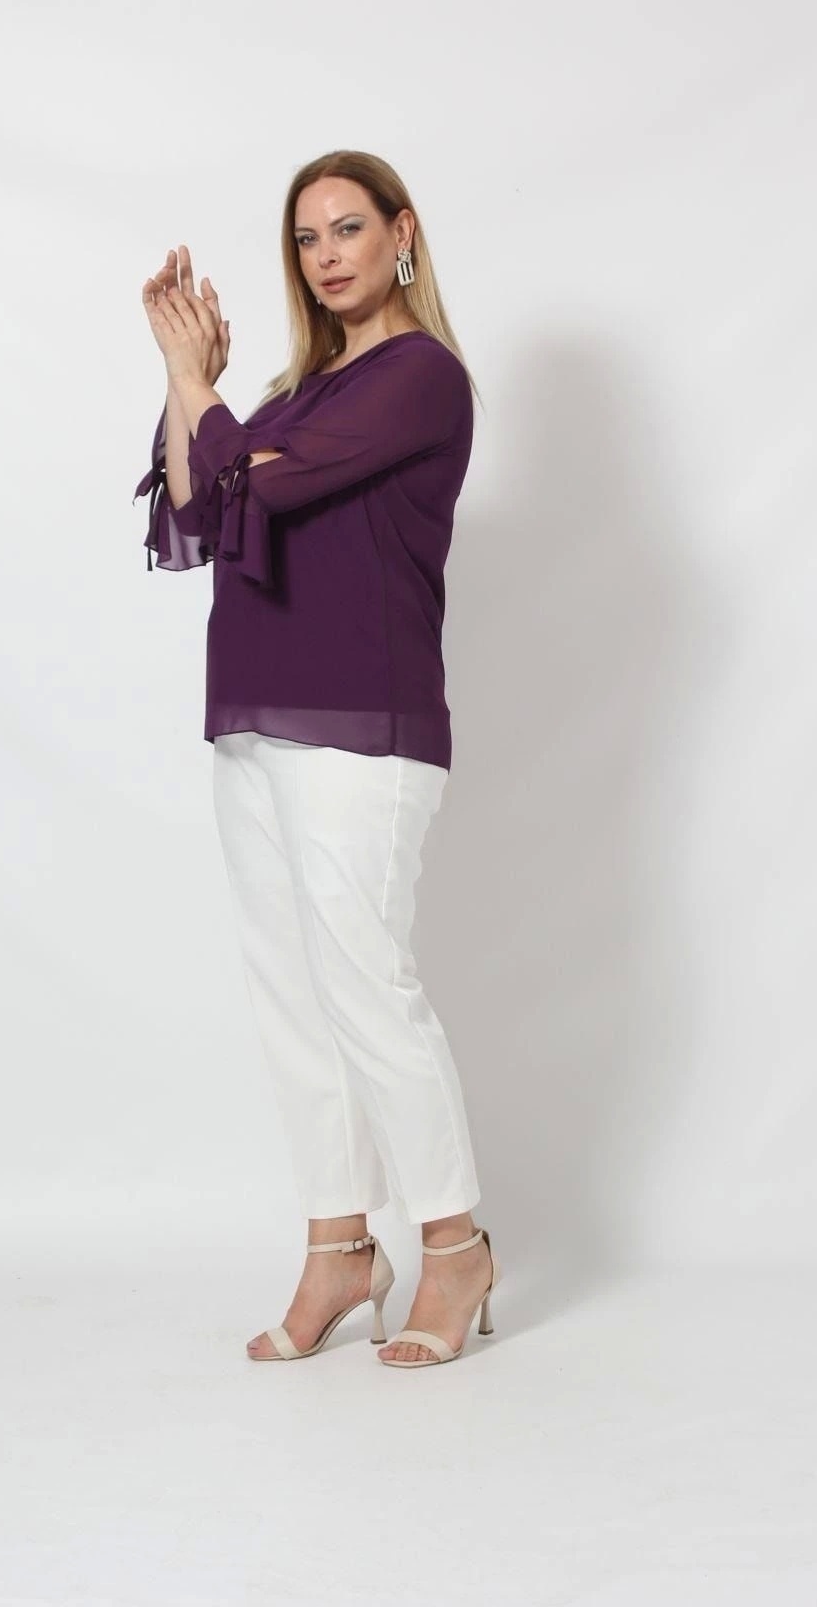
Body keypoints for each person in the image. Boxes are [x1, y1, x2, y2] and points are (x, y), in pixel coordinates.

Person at [133, 150, 501, 1367]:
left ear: (402, 233)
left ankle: (454, 1245)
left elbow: (260, 491)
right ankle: (341, 1244)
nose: (327, 254)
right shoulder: (293, 396)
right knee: (289, 990)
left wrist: (202, 390)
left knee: (363, 983)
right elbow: (199, 511)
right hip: (255, 715)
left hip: (362, 722)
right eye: (305, 237)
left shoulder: (421, 378)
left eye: (348, 228)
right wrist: (188, 383)